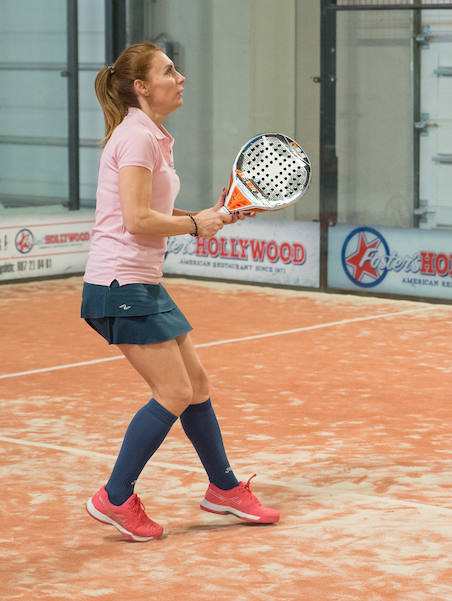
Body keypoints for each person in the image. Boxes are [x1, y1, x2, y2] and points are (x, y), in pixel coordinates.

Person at [83, 42, 279, 541]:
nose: (181, 77)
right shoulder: (136, 138)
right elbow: (135, 219)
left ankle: (224, 489)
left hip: (141, 282)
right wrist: (196, 223)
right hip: (118, 284)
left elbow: (152, 215)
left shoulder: (151, 136)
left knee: (197, 384)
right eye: (169, 71)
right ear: (143, 87)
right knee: (173, 391)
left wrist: (216, 215)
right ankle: (116, 497)